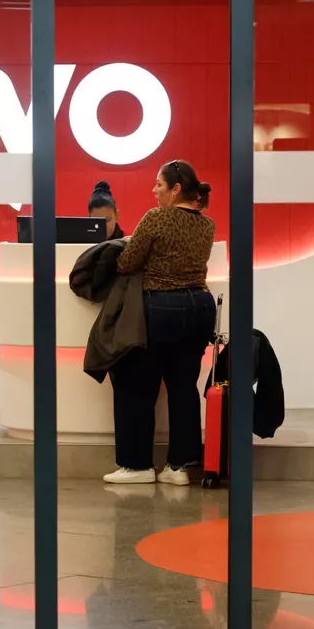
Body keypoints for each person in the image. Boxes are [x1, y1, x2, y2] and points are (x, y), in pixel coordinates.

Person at [103, 160, 217, 486]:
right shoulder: (206, 225)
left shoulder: (156, 218)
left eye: (159, 185)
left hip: (161, 307)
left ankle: (136, 465)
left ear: (176, 188)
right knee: (183, 387)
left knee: (134, 384)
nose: (154, 191)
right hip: (200, 306)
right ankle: (180, 467)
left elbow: (127, 262)